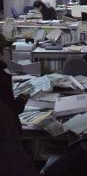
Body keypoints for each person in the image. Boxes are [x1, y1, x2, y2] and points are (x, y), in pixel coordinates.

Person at [0, 34, 38, 175]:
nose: (7, 51)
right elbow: (11, 109)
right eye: (5, 48)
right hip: (9, 140)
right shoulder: (2, 76)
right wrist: (23, 98)